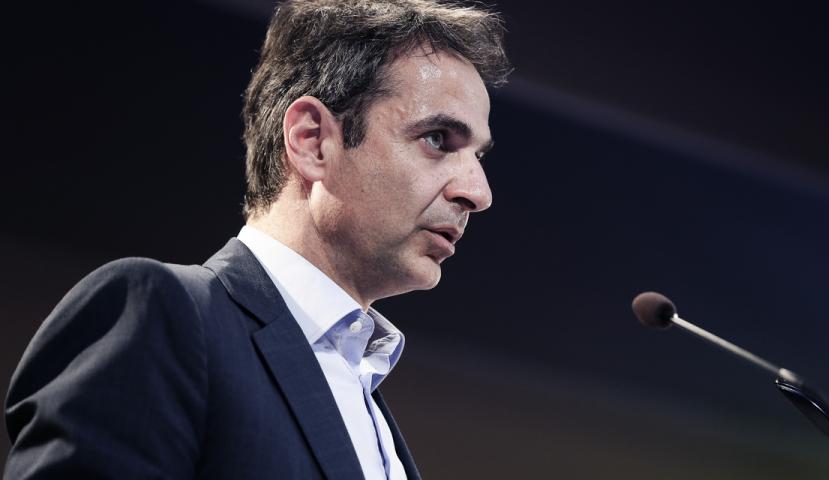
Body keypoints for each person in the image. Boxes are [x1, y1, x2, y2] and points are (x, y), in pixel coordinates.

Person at [4, 0, 511, 478]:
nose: (478, 192)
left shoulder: (362, 391)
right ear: (312, 141)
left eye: (478, 156)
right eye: (437, 139)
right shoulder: (163, 316)